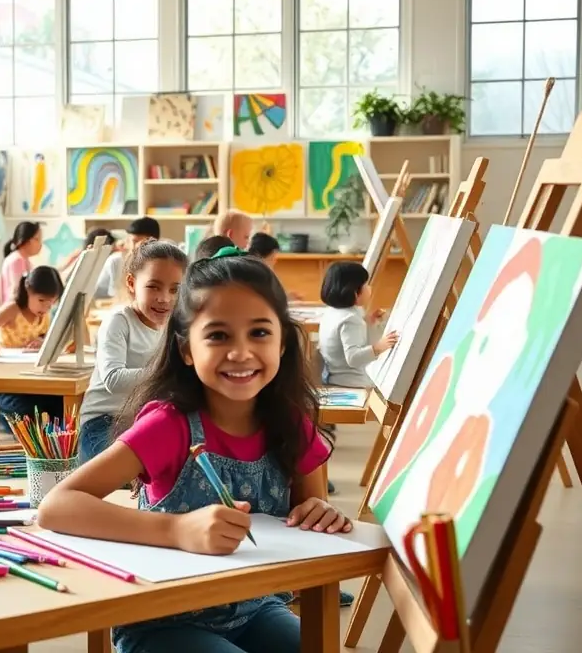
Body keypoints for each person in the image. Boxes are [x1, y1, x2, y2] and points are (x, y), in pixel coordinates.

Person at [38, 248, 350, 653]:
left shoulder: (290, 424)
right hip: (162, 620)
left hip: (254, 609)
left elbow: (311, 515)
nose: (240, 352)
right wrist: (177, 530)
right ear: (186, 349)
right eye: (217, 335)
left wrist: (321, 514)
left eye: (259, 333)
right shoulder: (169, 425)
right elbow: (57, 506)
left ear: (284, 343)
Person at [79, 241, 188, 462]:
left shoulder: (173, 325)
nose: (165, 298)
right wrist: (167, 373)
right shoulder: (119, 320)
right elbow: (113, 379)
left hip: (143, 421)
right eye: (153, 286)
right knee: (136, 468)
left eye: (174, 289)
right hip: (103, 422)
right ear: (131, 283)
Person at [0, 266, 66, 424]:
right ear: (28, 291)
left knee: (59, 402)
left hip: (30, 378)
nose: (45, 308)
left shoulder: (43, 314)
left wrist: (43, 341)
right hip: (7, 380)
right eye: (41, 300)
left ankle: (55, 439)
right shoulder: (13, 309)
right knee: (25, 411)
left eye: (51, 303)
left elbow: (45, 335)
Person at [318, 261, 398, 388]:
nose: (370, 288)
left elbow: (349, 337)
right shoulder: (350, 319)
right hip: (350, 380)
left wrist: (368, 322)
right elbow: (353, 358)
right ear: (354, 292)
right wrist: (378, 347)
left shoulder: (333, 311)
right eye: (366, 285)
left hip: (334, 374)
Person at [95, 216, 160, 299]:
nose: (136, 247)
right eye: (133, 241)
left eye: (143, 243)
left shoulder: (160, 261)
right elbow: (105, 295)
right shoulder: (116, 261)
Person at [248, 233, 304, 302]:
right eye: (272, 257)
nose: (275, 261)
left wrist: (286, 297)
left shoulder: (261, 274)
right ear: (258, 255)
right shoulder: (252, 275)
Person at [0, 221, 43, 304]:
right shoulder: (17, 260)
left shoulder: (21, 259)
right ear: (26, 240)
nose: (41, 244)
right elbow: (17, 292)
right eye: (37, 239)